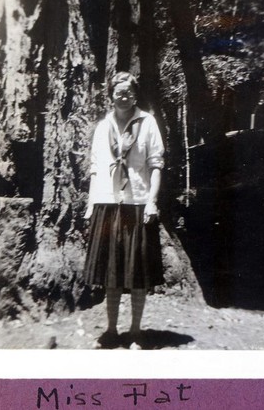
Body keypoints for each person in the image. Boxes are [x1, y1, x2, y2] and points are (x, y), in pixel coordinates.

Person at [83, 71, 165, 348]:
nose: (124, 95)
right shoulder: (103, 126)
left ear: (135, 93)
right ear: (111, 94)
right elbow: (95, 169)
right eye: (119, 91)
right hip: (107, 205)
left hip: (138, 204)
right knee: (112, 272)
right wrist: (90, 203)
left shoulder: (148, 123)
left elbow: (155, 166)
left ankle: (136, 331)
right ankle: (110, 330)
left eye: (129, 91)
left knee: (138, 273)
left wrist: (152, 201)